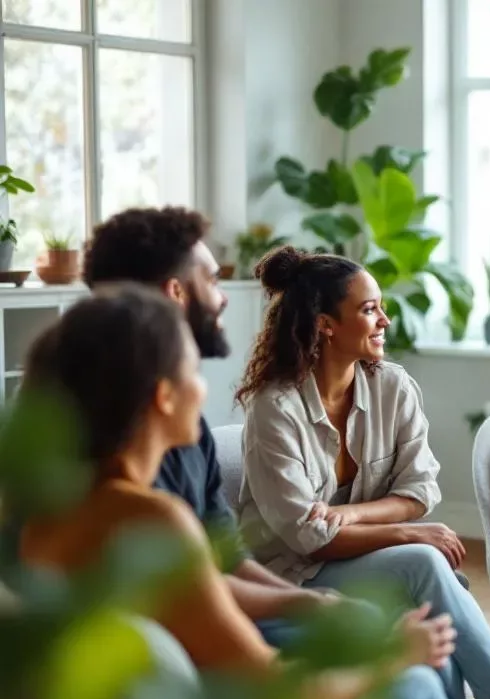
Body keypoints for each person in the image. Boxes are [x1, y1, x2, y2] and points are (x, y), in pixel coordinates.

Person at [16, 285, 488, 699]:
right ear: (163, 396)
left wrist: (311, 604)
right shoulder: (152, 519)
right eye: (193, 373)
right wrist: (395, 659)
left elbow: (209, 589)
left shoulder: (46, 513)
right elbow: (278, 693)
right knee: (416, 686)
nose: (202, 391)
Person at [234, 246, 490, 699]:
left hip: (352, 558)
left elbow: (421, 490)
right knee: (422, 563)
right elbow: (308, 537)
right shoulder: (275, 409)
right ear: (326, 325)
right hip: (291, 575)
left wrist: (352, 515)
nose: (385, 318)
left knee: (424, 599)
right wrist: (406, 533)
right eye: (370, 308)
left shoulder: (391, 387)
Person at [80, 206, 330, 647]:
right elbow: (180, 594)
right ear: (175, 292)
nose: (223, 296)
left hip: (216, 613)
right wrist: (306, 605)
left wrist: (314, 604)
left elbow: (226, 558)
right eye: (212, 280)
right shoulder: (102, 440)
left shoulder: (183, 421)